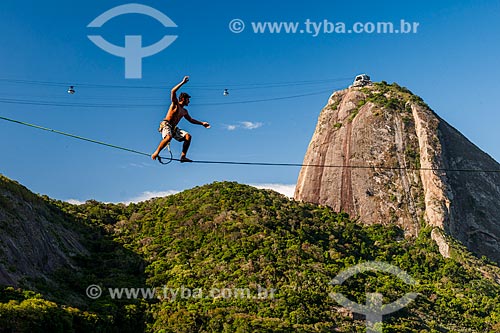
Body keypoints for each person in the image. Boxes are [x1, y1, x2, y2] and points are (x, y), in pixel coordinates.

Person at [151, 76, 210, 162]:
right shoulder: (175, 104)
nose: (189, 102)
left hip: (174, 128)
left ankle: (183, 157)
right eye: (188, 100)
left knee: (188, 136)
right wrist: (182, 82)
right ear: (183, 99)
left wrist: (202, 123)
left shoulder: (185, 111)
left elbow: (191, 120)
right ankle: (156, 152)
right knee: (168, 137)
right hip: (166, 124)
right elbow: (172, 91)